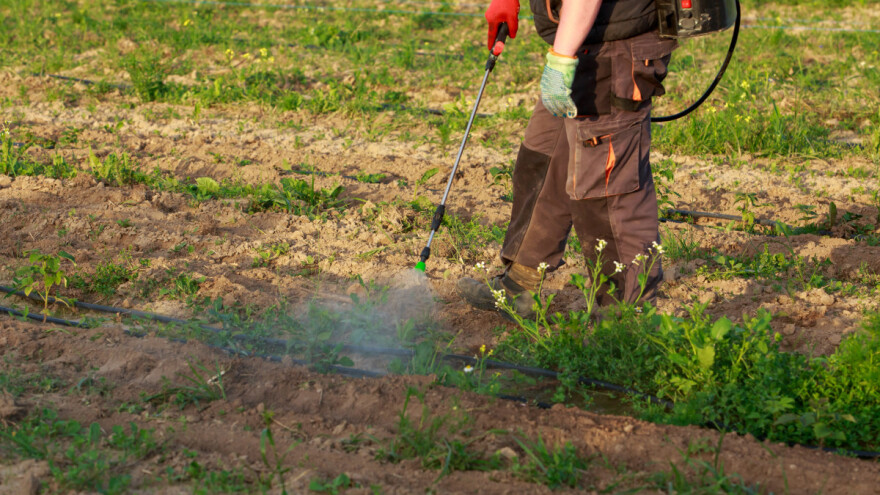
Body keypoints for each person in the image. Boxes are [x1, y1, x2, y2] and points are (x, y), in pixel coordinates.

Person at [457, 0, 677, 318]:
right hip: (581, 37)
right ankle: (521, 283)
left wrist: (561, 60)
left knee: (605, 191)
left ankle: (626, 324)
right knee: (543, 156)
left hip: (616, 45)